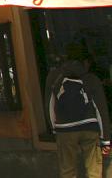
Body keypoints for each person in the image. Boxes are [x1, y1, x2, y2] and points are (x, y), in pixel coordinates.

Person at [45, 44, 111, 178]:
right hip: (89, 127)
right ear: (85, 62)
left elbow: (49, 106)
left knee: (67, 171)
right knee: (94, 171)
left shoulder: (54, 77)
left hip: (64, 128)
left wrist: (54, 129)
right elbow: (101, 110)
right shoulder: (91, 78)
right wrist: (106, 139)